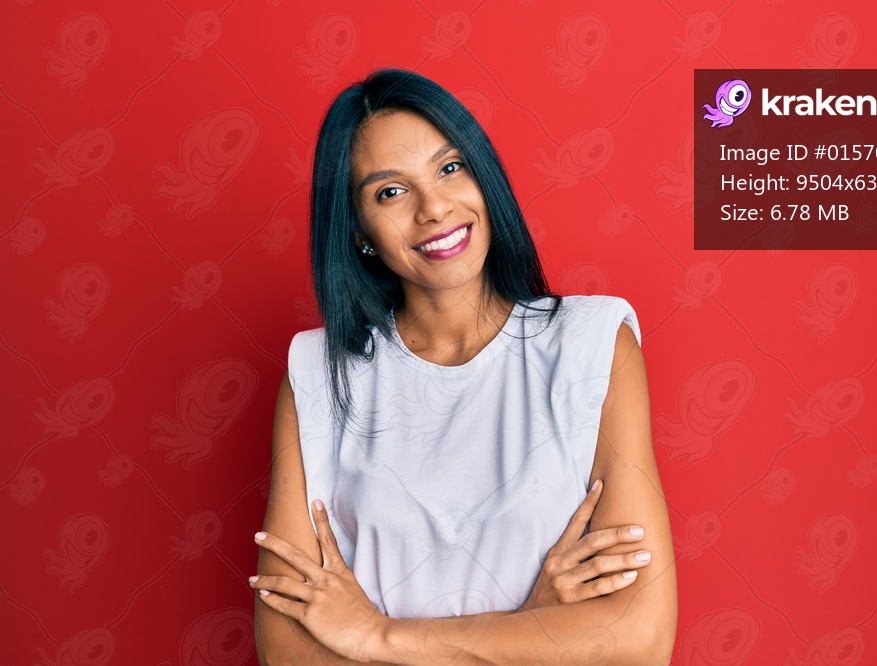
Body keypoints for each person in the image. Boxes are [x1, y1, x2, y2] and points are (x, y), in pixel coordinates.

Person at [250, 68, 677, 665]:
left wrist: (377, 636)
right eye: (390, 192)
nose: (434, 208)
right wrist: (533, 630)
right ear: (358, 231)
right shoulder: (318, 376)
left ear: (483, 174)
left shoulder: (593, 344)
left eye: (450, 168)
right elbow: (285, 652)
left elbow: (642, 638)